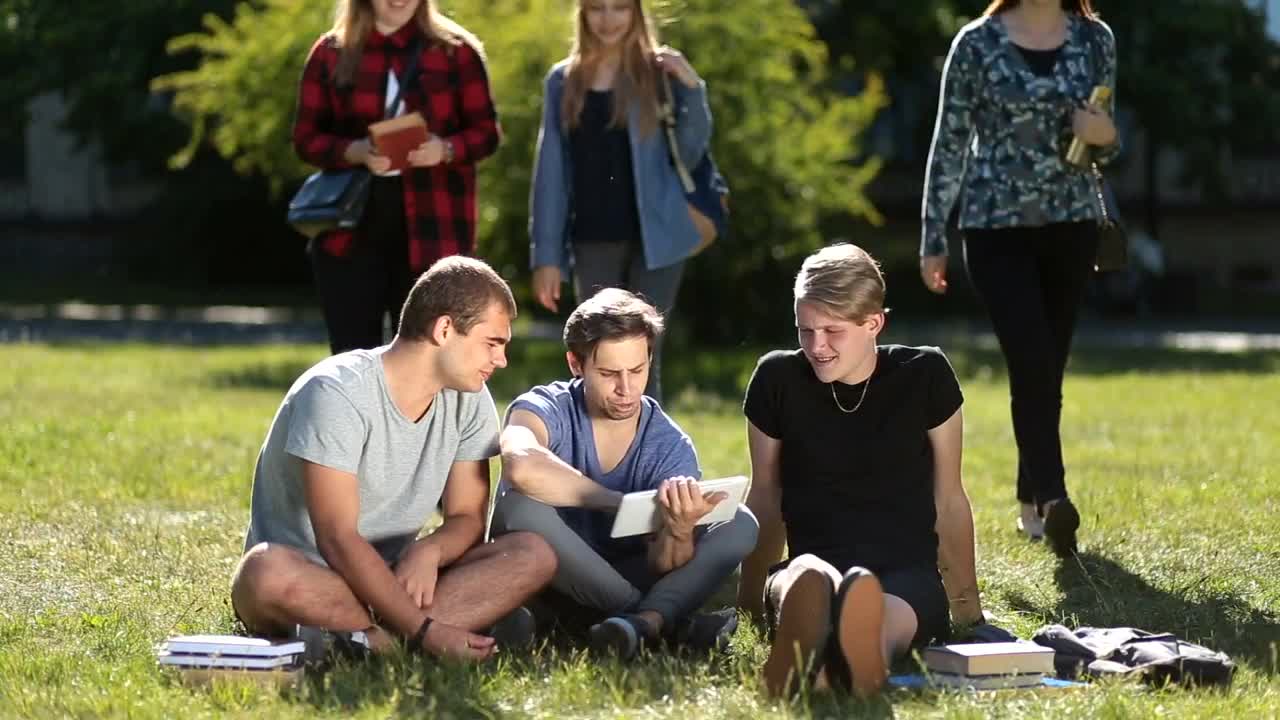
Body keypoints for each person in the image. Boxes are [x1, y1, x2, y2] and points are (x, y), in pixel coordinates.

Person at [231, 256, 555, 661]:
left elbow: (467, 519)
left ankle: (357, 641)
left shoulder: (470, 399)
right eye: (493, 343)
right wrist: (424, 631)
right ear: (444, 329)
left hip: (402, 578)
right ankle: (421, 636)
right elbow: (338, 539)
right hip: (315, 575)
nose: (501, 360)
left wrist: (429, 551)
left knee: (532, 553)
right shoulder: (335, 392)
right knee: (263, 575)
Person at [919, 0, 1120, 557]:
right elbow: (950, 143)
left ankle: (1030, 496)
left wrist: (1103, 132)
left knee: (1047, 366)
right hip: (994, 228)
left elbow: (1107, 137)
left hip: (1072, 223)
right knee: (1031, 356)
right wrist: (933, 235)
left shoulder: (1095, 39)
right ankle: (1055, 500)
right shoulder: (976, 44)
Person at [737, 244, 983, 698]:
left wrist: (967, 606)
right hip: (814, 561)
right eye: (805, 330)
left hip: (905, 570)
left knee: (878, 607)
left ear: (873, 324)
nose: (815, 346)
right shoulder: (777, 378)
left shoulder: (925, 374)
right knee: (805, 575)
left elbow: (948, 497)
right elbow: (764, 498)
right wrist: (748, 604)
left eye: (832, 331)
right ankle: (834, 661)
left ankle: (840, 660)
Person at [491, 288, 758, 659]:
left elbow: (662, 565)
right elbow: (520, 464)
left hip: (628, 573)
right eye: (608, 373)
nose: (626, 388)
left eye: (637, 370)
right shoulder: (545, 406)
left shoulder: (668, 443)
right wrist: (615, 503)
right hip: (540, 576)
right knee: (519, 507)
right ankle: (657, 621)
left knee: (740, 522)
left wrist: (678, 531)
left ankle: (633, 622)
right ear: (575, 364)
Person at [528, 0, 713, 403]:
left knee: (644, 353)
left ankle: (650, 458)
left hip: (658, 239)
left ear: (636, 13)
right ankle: (598, 454)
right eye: (597, 8)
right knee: (597, 350)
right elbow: (551, 173)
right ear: (582, 14)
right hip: (592, 237)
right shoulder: (562, 80)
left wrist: (691, 87)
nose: (608, 19)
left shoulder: (657, 74)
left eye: (619, 8)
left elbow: (691, 149)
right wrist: (546, 255)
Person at [294, 0, 501, 355]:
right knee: (352, 359)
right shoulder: (330, 53)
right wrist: (356, 151)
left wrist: (445, 149)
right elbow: (305, 138)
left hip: (435, 230)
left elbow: (487, 133)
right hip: (350, 231)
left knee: (429, 355)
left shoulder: (457, 52)